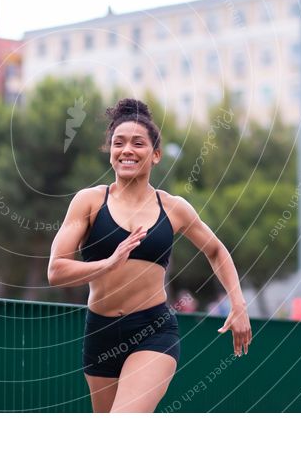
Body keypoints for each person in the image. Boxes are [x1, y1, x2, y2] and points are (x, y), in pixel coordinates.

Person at [47, 98, 252, 412]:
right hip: (99, 332)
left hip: (153, 331)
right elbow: (56, 270)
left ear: (155, 155)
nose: (127, 149)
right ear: (110, 152)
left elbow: (215, 250)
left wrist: (238, 304)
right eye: (119, 143)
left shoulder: (173, 207)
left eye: (138, 143)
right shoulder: (88, 202)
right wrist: (108, 263)